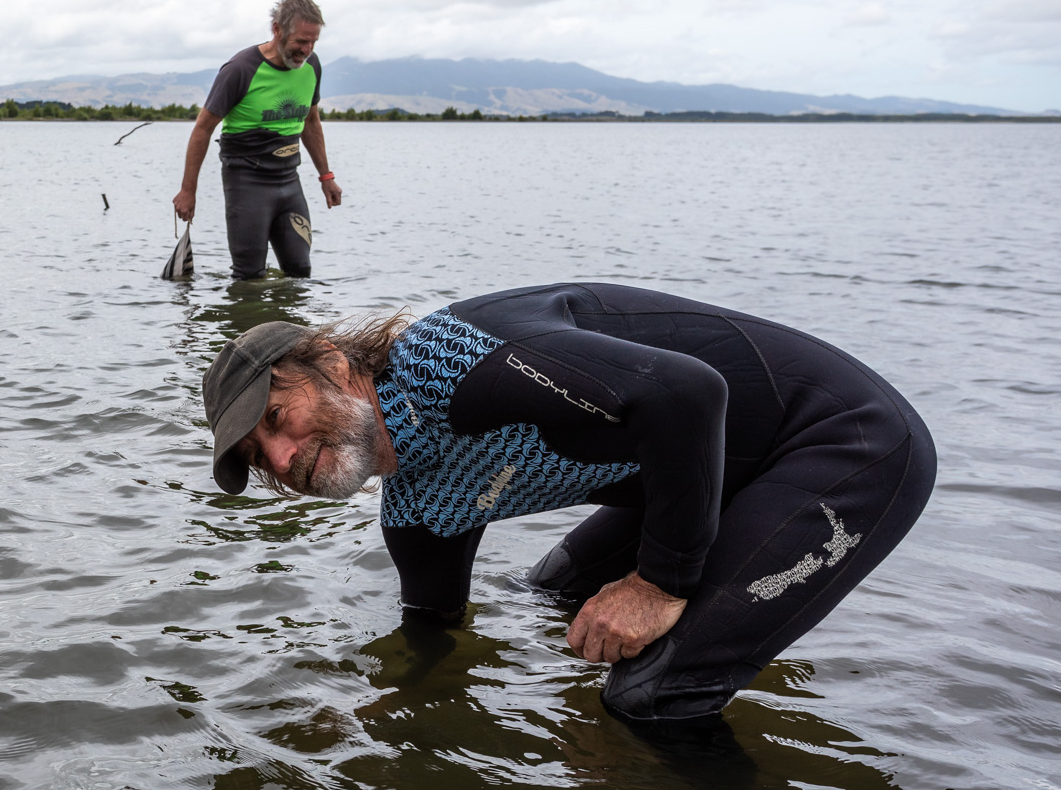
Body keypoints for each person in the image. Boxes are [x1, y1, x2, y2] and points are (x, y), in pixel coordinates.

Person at [200, 283, 936, 727]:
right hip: (703, 470)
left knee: (648, 697)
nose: (283, 458)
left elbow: (685, 393)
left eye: (274, 420)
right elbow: (431, 634)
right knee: (551, 596)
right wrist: (379, 711)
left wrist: (660, 584)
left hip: (839, 438)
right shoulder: (416, 512)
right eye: (257, 459)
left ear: (332, 364)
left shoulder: (455, 363)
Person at [173, 0, 344, 280]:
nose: (307, 50)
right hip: (247, 184)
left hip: (289, 181)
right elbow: (202, 129)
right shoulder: (241, 69)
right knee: (249, 276)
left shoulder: (312, 66)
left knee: (300, 271)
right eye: (301, 41)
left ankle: (291, 324)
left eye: (313, 42)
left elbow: (311, 122)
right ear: (277, 30)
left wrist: (326, 177)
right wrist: (188, 190)